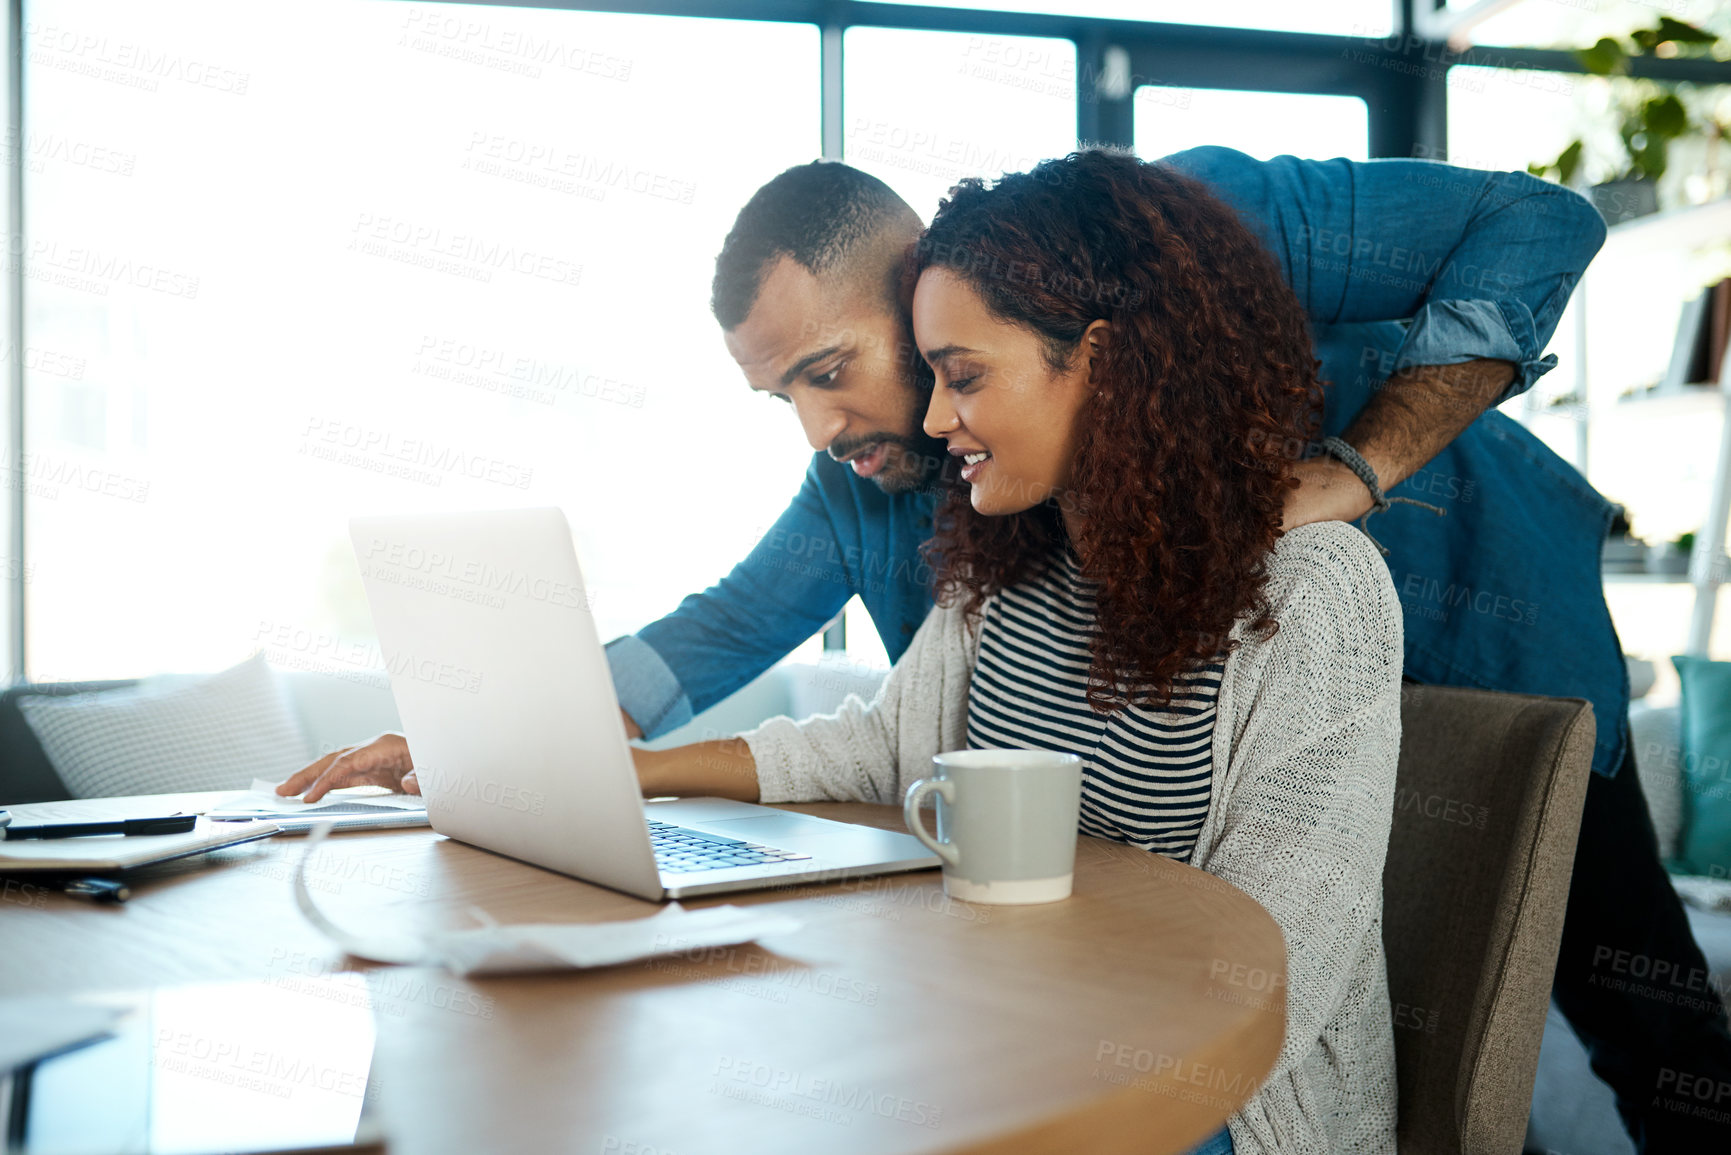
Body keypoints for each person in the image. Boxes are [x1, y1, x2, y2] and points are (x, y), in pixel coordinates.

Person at [282, 147, 1731, 1149]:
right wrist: (517, 749)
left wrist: (1355, 468)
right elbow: (729, 648)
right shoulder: (962, 517)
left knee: (1636, 1019)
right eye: (778, 393)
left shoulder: (1169, 238)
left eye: (832, 369)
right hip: (1198, 820)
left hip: (1479, 614)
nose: (828, 428)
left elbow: (1537, 224)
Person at [642, 150, 1404, 1153]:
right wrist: (630, 774)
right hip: (1011, 1040)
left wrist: (978, 1054)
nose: (931, 418)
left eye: (962, 378)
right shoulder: (1002, 567)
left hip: (1206, 1104)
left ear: (1102, 360)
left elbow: (1264, 980)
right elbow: (877, 752)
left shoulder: (1316, 592)